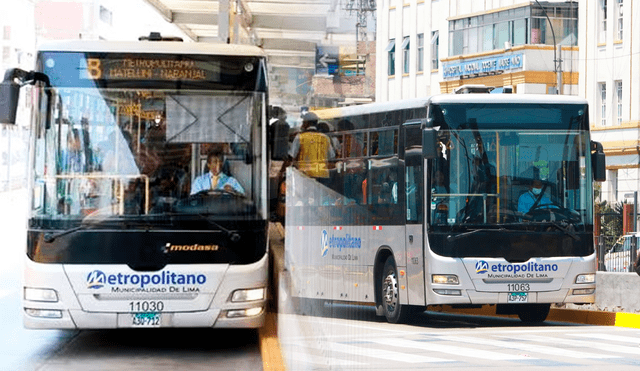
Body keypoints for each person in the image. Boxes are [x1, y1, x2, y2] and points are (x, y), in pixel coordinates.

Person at [289, 112, 335, 181]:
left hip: (306, 175)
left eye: (303, 122)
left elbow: (292, 156)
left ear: (306, 123)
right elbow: (331, 157)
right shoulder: (325, 138)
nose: (302, 124)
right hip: (323, 175)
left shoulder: (300, 137)